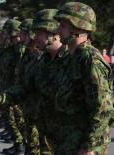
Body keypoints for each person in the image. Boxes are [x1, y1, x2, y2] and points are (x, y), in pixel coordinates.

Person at [51, 2, 113, 154]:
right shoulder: (71, 57)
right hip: (68, 138)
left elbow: (102, 108)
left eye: (63, 26)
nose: (58, 30)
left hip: (83, 144)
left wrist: (89, 147)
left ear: (77, 28)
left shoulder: (90, 59)